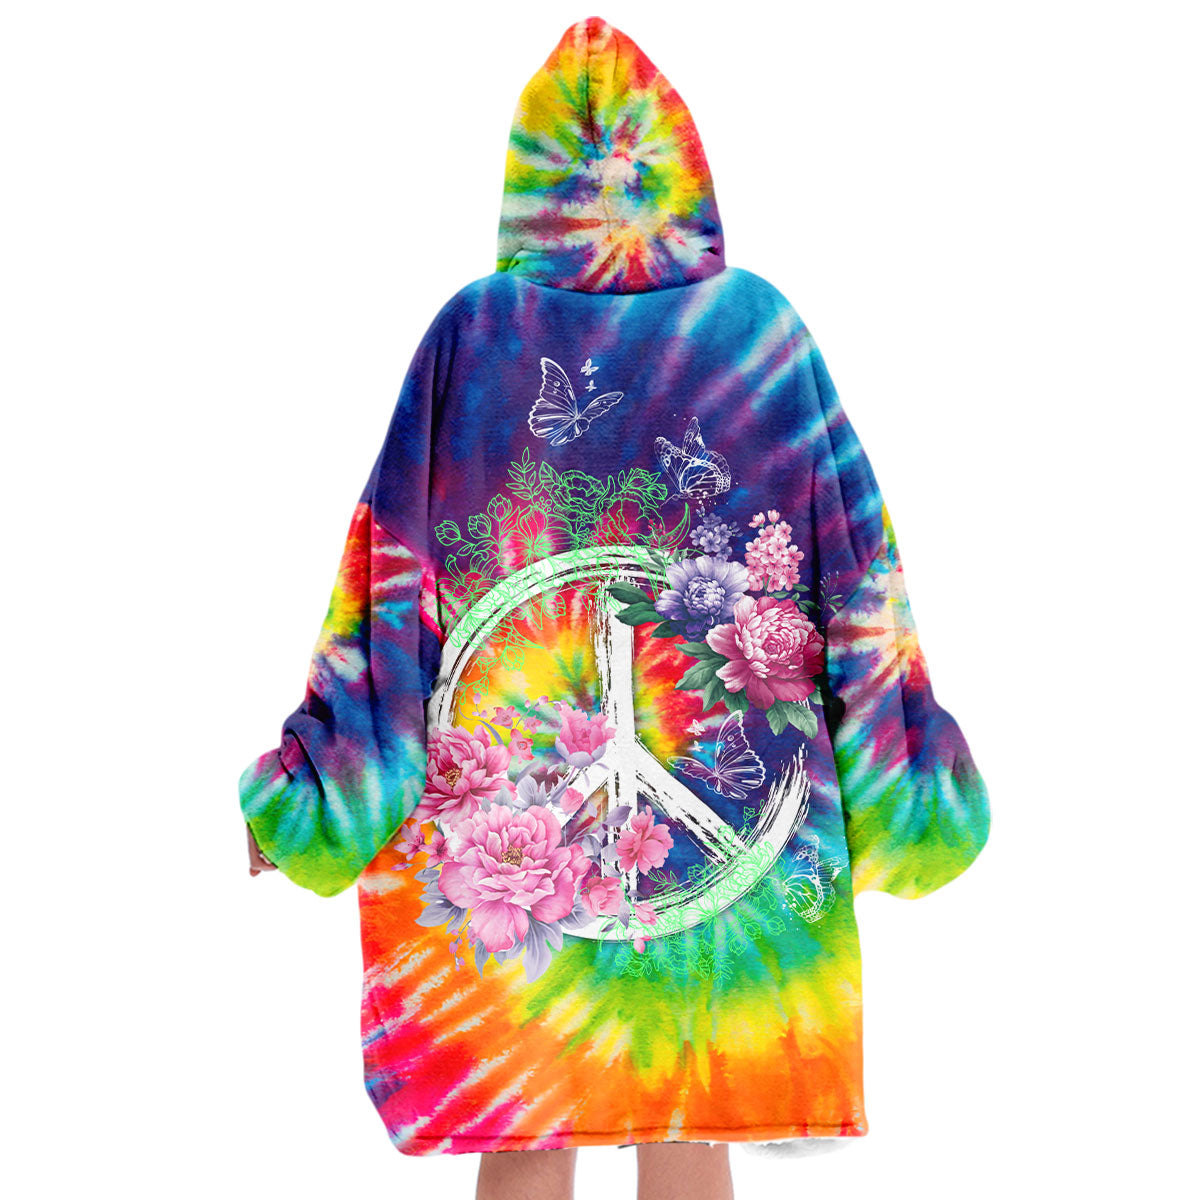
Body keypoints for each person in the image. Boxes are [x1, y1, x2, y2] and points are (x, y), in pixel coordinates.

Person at [240, 15, 990, 1194]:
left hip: (509, 827)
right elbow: (861, 581)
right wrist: (909, 779)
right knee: (689, 1107)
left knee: (529, 1111)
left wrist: (318, 787)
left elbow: (387, 591)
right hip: (732, 813)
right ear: (687, 173)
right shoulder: (760, 334)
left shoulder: (473, 335)